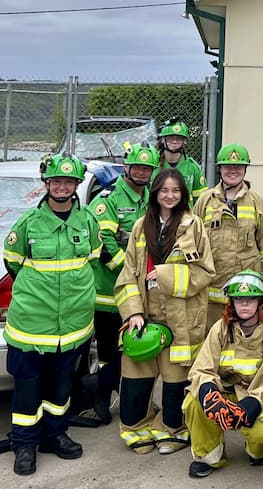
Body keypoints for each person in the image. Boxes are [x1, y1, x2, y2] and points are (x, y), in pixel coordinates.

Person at [3, 153, 102, 476]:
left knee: (60, 390)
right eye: (56, 181)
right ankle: (24, 444)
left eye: (68, 182)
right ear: (47, 185)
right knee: (28, 390)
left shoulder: (87, 222)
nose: (62, 187)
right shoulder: (28, 224)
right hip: (32, 326)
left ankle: (54, 435)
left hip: (72, 327)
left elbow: (94, 257)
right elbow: (13, 263)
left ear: (75, 186)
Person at [114, 168, 214, 455]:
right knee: (136, 380)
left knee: (175, 382)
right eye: (164, 191)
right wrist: (133, 312)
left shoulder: (193, 226)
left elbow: (205, 271)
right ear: (155, 193)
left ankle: (173, 430)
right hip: (144, 317)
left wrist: (165, 275)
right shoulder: (139, 227)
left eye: (175, 191)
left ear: (182, 195)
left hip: (181, 319)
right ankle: (136, 429)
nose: (169, 196)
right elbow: (128, 275)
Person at [81, 142, 160, 426]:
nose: (141, 172)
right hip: (108, 293)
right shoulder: (109, 199)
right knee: (108, 352)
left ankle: (131, 395)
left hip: (138, 291)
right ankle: (99, 398)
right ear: (126, 167)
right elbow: (104, 246)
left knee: (135, 347)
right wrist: (131, 273)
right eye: (137, 167)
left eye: (146, 168)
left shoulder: (150, 197)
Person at [184, 269, 263, 478]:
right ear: (232, 302)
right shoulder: (220, 328)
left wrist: (252, 404)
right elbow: (202, 368)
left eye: (250, 299)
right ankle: (209, 456)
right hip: (226, 392)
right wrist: (209, 391)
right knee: (195, 401)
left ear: (261, 302)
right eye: (239, 299)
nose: (244, 304)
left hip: (259, 397)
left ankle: (259, 451)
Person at [193, 143, 263, 327]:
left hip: (246, 293)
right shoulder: (205, 201)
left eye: (238, 167)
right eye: (228, 166)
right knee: (213, 341)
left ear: (245, 170)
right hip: (211, 292)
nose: (233, 171)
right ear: (219, 169)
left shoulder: (257, 203)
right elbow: (192, 242)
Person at [155, 118, 208, 205]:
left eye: (179, 138)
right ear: (163, 140)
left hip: (185, 216)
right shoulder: (153, 165)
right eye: (171, 137)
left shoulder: (193, 167)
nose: (175, 141)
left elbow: (202, 201)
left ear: (184, 141)